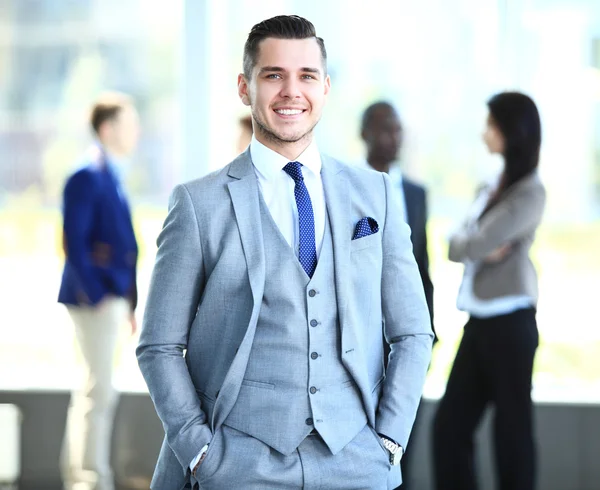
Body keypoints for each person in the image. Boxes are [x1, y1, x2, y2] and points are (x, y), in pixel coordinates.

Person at [137, 15, 433, 490]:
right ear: (244, 87)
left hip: (356, 460)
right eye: (273, 75)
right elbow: (159, 345)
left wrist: (390, 442)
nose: (291, 91)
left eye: (306, 76)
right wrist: (199, 453)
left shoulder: (373, 194)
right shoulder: (199, 204)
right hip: (237, 465)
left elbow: (414, 331)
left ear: (326, 87)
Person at [432, 92, 545, 490]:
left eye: (492, 125)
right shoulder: (492, 186)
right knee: (449, 429)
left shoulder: (530, 192)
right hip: (479, 323)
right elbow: (459, 245)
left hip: (511, 325)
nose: (485, 133)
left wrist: (471, 241)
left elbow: (473, 244)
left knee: (511, 437)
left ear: (512, 133)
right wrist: (472, 241)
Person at [58, 92, 140, 490]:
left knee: (94, 390)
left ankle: (85, 476)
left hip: (112, 299)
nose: (135, 132)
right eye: (129, 123)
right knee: (98, 392)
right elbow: (73, 241)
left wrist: (128, 302)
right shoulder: (87, 175)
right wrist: (97, 295)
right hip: (96, 300)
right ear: (108, 128)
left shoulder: (111, 174)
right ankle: (91, 479)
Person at [361, 101, 435, 490]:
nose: (395, 138)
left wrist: (428, 332)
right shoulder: (349, 187)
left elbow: (424, 270)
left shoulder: (418, 194)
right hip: (364, 335)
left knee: (405, 434)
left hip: (408, 338)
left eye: (398, 129)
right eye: (385, 129)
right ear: (366, 134)